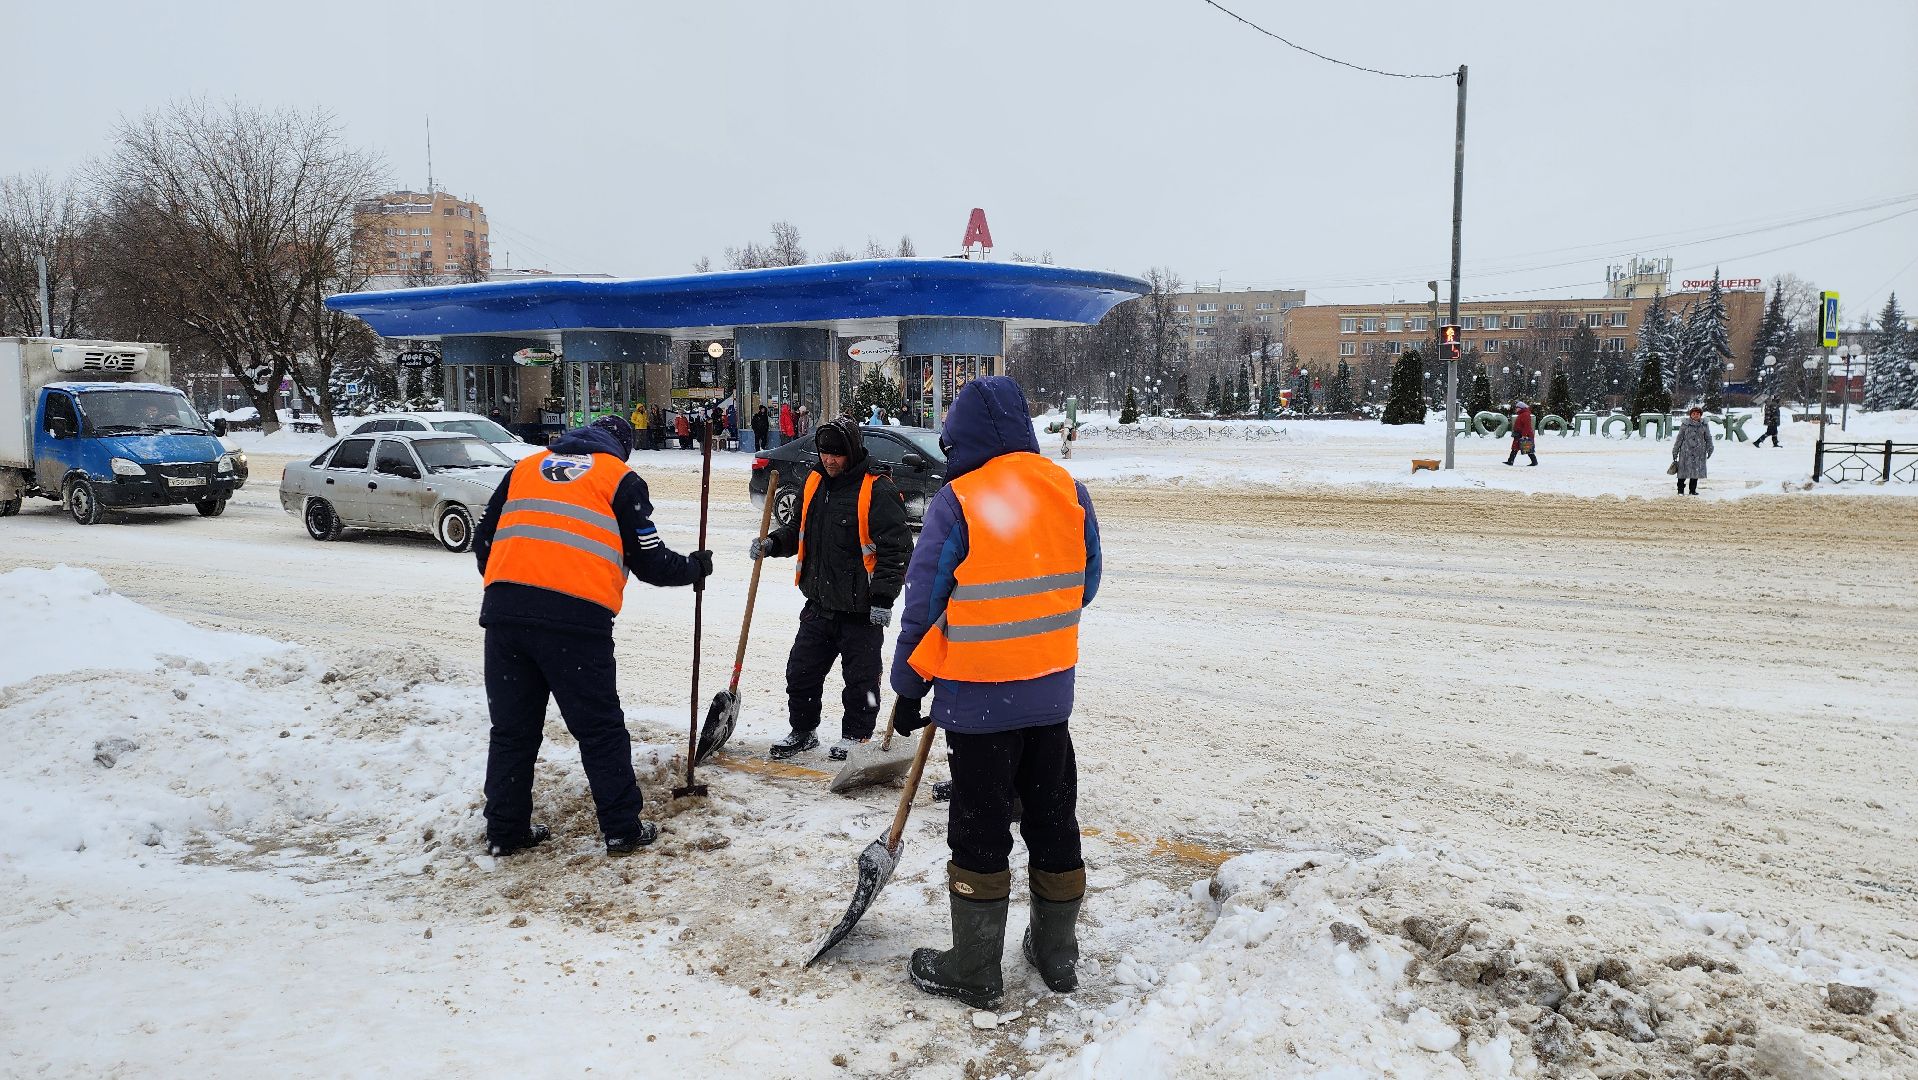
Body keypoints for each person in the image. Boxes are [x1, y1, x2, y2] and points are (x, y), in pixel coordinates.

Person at [888, 376, 1102, 1009]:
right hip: (1050, 696)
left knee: (980, 832)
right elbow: (1085, 583)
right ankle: (1058, 955)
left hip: (979, 704)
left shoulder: (958, 500)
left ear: (959, 437)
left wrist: (907, 684)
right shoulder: (1069, 489)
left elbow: (925, 607)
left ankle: (977, 967)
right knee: (1053, 818)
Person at [471, 415, 713, 858]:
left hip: (505, 618)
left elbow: (484, 541)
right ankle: (621, 828)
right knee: (600, 730)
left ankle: (505, 833)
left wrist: (514, 590)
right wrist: (696, 567)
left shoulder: (524, 468)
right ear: (619, 448)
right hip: (575, 623)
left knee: (511, 732)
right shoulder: (618, 478)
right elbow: (651, 562)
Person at [750, 418, 913, 760]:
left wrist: (883, 599)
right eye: (825, 453)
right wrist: (772, 543)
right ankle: (803, 731)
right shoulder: (814, 483)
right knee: (801, 673)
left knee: (860, 682)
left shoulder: (877, 489)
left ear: (852, 453)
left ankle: (856, 738)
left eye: (837, 454)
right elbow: (798, 529)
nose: (829, 460)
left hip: (861, 611)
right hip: (819, 604)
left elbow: (896, 550)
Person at [1673, 405, 1713, 495]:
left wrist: (1710, 447)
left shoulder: (1704, 425)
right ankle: (1680, 490)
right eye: (1694, 413)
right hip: (1685, 451)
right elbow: (1679, 438)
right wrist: (1675, 450)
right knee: (1682, 472)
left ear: (1700, 415)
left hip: (1699, 452)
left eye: (1698, 414)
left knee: (1695, 472)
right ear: (1690, 415)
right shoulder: (1685, 425)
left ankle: (1692, 490)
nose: (1696, 415)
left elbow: (1708, 437)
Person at [1504, 402, 1538, 466]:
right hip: (1519, 434)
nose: (1516, 409)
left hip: (1523, 434)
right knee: (1515, 448)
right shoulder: (1522, 414)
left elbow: (1527, 426)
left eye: (1517, 408)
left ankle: (1534, 462)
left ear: (1521, 408)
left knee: (1527, 448)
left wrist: (1524, 435)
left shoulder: (1525, 414)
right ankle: (1510, 461)